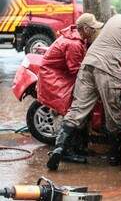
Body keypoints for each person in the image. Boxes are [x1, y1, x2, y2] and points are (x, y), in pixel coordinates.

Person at [46, 7, 121, 171]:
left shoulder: (114, 19)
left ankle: (59, 148)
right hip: (108, 69)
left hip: (87, 65)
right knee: (113, 115)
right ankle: (114, 156)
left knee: (77, 109)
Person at [38, 13, 102, 162]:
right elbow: (75, 70)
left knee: (74, 110)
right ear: (85, 29)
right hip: (55, 78)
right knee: (73, 111)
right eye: (92, 29)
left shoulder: (75, 36)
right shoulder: (75, 44)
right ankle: (64, 151)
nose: (94, 31)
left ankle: (74, 147)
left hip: (57, 74)